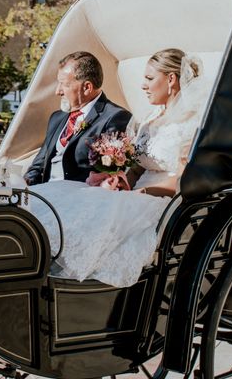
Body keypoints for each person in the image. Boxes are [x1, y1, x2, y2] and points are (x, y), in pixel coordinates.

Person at [29, 49, 205, 287]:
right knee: (61, 205)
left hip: (163, 200)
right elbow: (138, 167)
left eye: (150, 79)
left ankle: (73, 285)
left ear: (171, 79)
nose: (143, 85)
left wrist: (139, 193)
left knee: (85, 221)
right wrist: (121, 180)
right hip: (133, 195)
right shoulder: (151, 119)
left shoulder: (191, 123)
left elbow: (183, 181)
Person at [24, 51, 132, 185]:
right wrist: (24, 184)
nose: (58, 91)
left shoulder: (116, 117)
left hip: (81, 196)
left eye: (64, 84)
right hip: (44, 194)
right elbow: (38, 165)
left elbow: (108, 171)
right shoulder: (56, 118)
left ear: (87, 87)